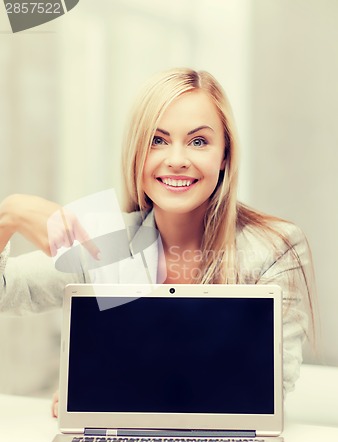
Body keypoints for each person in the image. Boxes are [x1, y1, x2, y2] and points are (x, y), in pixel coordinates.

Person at [0, 67, 317, 418]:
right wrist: (8, 217)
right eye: (157, 140)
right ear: (137, 153)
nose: (177, 160)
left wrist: (104, 385)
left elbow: (270, 386)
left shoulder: (274, 247)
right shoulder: (106, 240)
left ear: (225, 155)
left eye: (199, 141)